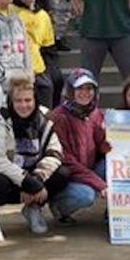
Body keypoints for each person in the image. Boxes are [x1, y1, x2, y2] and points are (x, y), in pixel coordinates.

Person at [0, 73, 66, 242]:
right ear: (11, 101)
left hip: (34, 173)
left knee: (63, 174)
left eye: (28, 100)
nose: (24, 105)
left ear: (35, 99)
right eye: (18, 101)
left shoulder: (45, 117)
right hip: (8, 175)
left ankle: (33, 207)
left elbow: (55, 152)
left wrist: (38, 178)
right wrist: (26, 181)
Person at [48, 69, 109, 224]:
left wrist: (109, 138)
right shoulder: (59, 117)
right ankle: (60, 207)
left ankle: (113, 212)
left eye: (89, 88)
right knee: (85, 196)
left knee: (112, 166)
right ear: (70, 91)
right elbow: (66, 159)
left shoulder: (95, 113)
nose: (85, 93)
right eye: (79, 88)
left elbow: (102, 147)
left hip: (87, 168)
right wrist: (98, 183)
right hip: (67, 175)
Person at [14, 0, 64, 108]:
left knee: (52, 84)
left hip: (39, 67)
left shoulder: (43, 16)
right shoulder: (11, 11)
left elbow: (49, 49)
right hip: (17, 67)